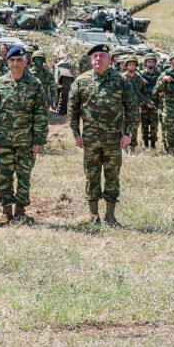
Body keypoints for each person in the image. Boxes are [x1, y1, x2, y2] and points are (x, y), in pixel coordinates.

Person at [67, 44, 136, 225]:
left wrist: (127, 133)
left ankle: (110, 216)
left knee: (112, 176)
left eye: (102, 56)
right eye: (95, 56)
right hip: (90, 140)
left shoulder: (121, 80)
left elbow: (131, 108)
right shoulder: (81, 81)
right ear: (91, 60)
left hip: (114, 139)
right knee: (91, 175)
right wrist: (76, 133)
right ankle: (93, 215)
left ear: (110, 59)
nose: (98, 59)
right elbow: (72, 110)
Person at [0, 45, 48, 225]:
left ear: (25, 62)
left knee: (24, 176)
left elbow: (40, 113)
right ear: (7, 62)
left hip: (26, 140)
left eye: (19, 60)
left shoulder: (35, 84)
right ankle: (6, 212)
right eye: (12, 60)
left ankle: (20, 211)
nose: (15, 63)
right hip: (4, 140)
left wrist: (39, 139)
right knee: (4, 175)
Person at [153, 51, 174, 154]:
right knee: (169, 130)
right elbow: (155, 92)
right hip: (169, 107)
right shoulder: (165, 74)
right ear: (171, 60)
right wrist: (163, 81)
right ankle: (170, 151)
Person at [122, 55, 153, 153]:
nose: (131, 66)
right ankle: (124, 148)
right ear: (126, 66)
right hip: (123, 108)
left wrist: (144, 100)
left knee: (134, 128)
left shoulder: (139, 78)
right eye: (129, 64)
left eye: (133, 65)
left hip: (135, 108)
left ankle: (132, 148)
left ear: (136, 66)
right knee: (123, 127)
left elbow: (144, 92)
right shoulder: (122, 78)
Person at [139, 53, 162, 150]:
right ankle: (145, 143)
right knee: (144, 124)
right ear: (145, 63)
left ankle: (152, 144)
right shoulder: (140, 75)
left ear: (155, 63)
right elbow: (137, 89)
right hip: (144, 103)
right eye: (148, 61)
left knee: (154, 125)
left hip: (155, 103)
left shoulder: (159, 75)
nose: (150, 63)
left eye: (152, 61)